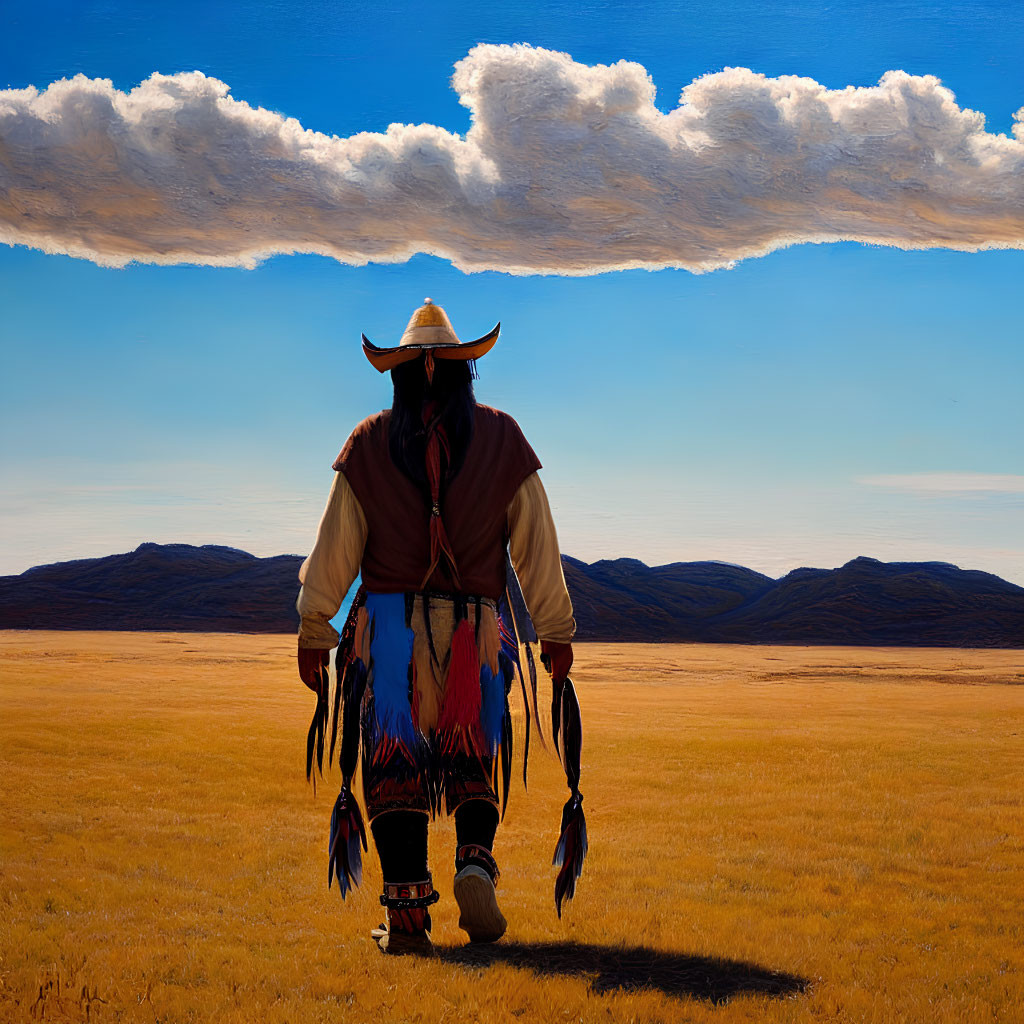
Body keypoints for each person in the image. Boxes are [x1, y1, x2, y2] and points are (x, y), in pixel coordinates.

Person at [296, 299, 576, 953]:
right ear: (463, 371)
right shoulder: (504, 437)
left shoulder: (369, 443)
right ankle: (475, 863)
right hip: (476, 633)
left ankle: (408, 921)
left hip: (390, 635)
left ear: (399, 375)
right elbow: (537, 545)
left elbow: (337, 547)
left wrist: (315, 627)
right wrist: (555, 631)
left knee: (395, 766)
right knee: (473, 758)